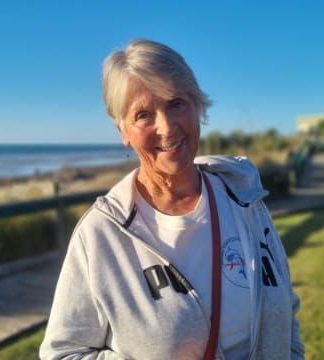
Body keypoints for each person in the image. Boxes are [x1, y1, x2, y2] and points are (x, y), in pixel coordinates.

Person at [40, 39, 305, 360]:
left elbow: (285, 312)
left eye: (176, 103)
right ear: (123, 129)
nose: (166, 128)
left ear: (198, 108)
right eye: (144, 114)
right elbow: (63, 352)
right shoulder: (100, 235)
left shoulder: (244, 198)